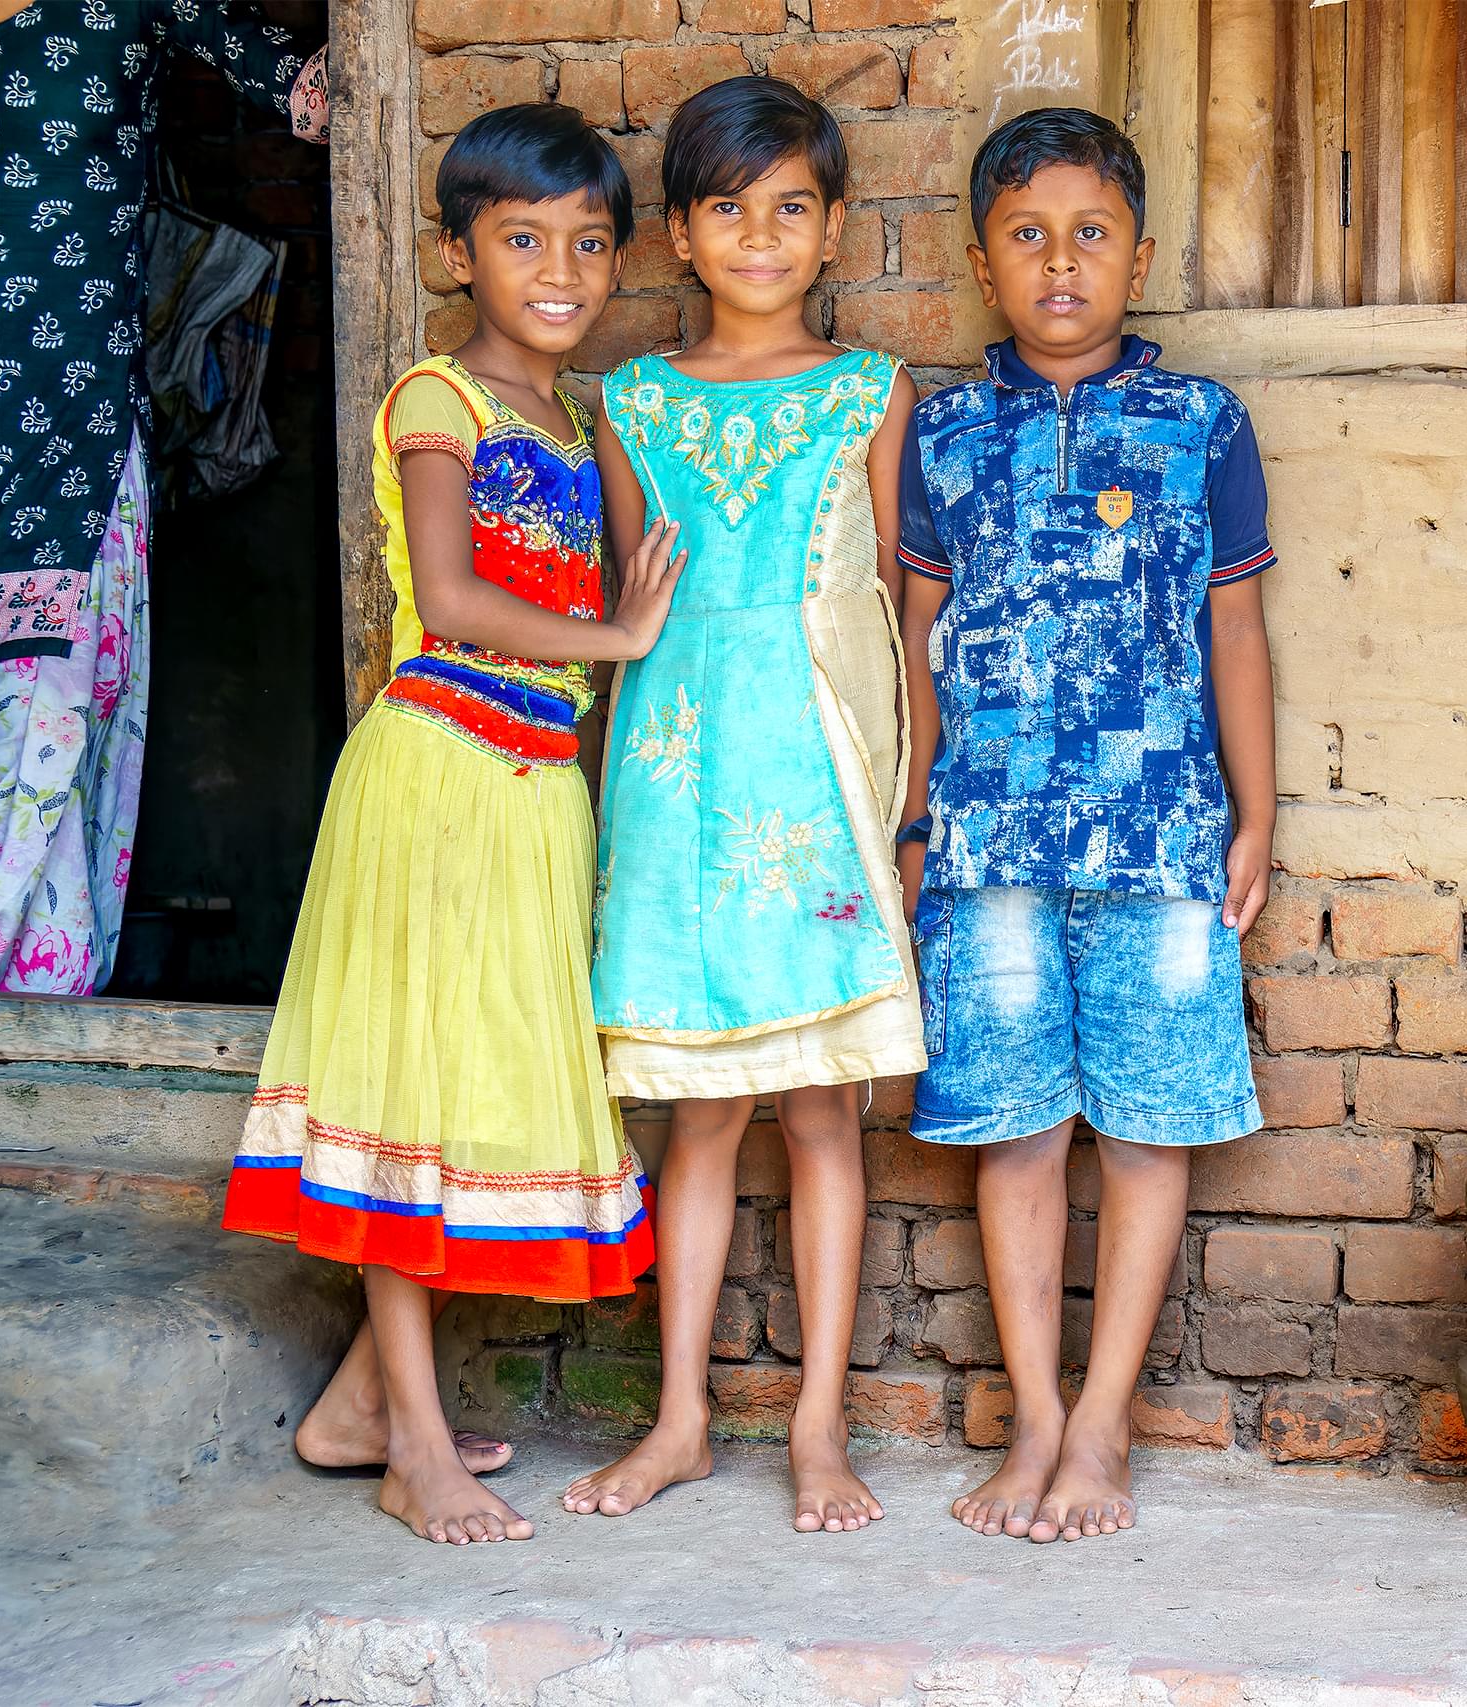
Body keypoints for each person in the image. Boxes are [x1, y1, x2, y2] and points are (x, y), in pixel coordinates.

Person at [221, 105, 684, 1546]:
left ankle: (361, 1402)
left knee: (476, 1097)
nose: (563, 269)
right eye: (523, 240)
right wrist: (615, 633)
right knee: (416, 1102)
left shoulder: (579, 414)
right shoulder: (442, 399)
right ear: (455, 254)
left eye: (591, 243)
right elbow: (457, 593)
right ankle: (417, 1445)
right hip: (437, 771)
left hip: (535, 790)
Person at [897, 106, 1278, 1544]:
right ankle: (1036, 1416)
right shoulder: (941, 431)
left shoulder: (1201, 426)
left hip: (1164, 828)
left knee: (1146, 1122)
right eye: (1029, 236)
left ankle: (1105, 1420)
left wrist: (1258, 808)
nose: (1062, 262)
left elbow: (1234, 627)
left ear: (1141, 254)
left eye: (1091, 234)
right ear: (987, 260)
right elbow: (916, 634)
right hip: (987, 836)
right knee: (1014, 1128)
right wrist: (919, 807)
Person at [565, 75, 924, 1535]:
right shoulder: (631, 403)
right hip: (671, 791)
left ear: (835, 227)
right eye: (729, 209)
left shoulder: (871, 390)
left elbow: (896, 601)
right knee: (696, 1124)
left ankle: (821, 1425)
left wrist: (902, 801)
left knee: (823, 1114)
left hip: (820, 781)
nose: (760, 236)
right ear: (682, 234)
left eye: (790, 209)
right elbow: (627, 607)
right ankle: (681, 1418)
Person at [0, 0, 327, 995]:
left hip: (67, 438)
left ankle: (30, 1001)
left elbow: (317, 92)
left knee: (45, 713)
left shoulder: (124, 4)